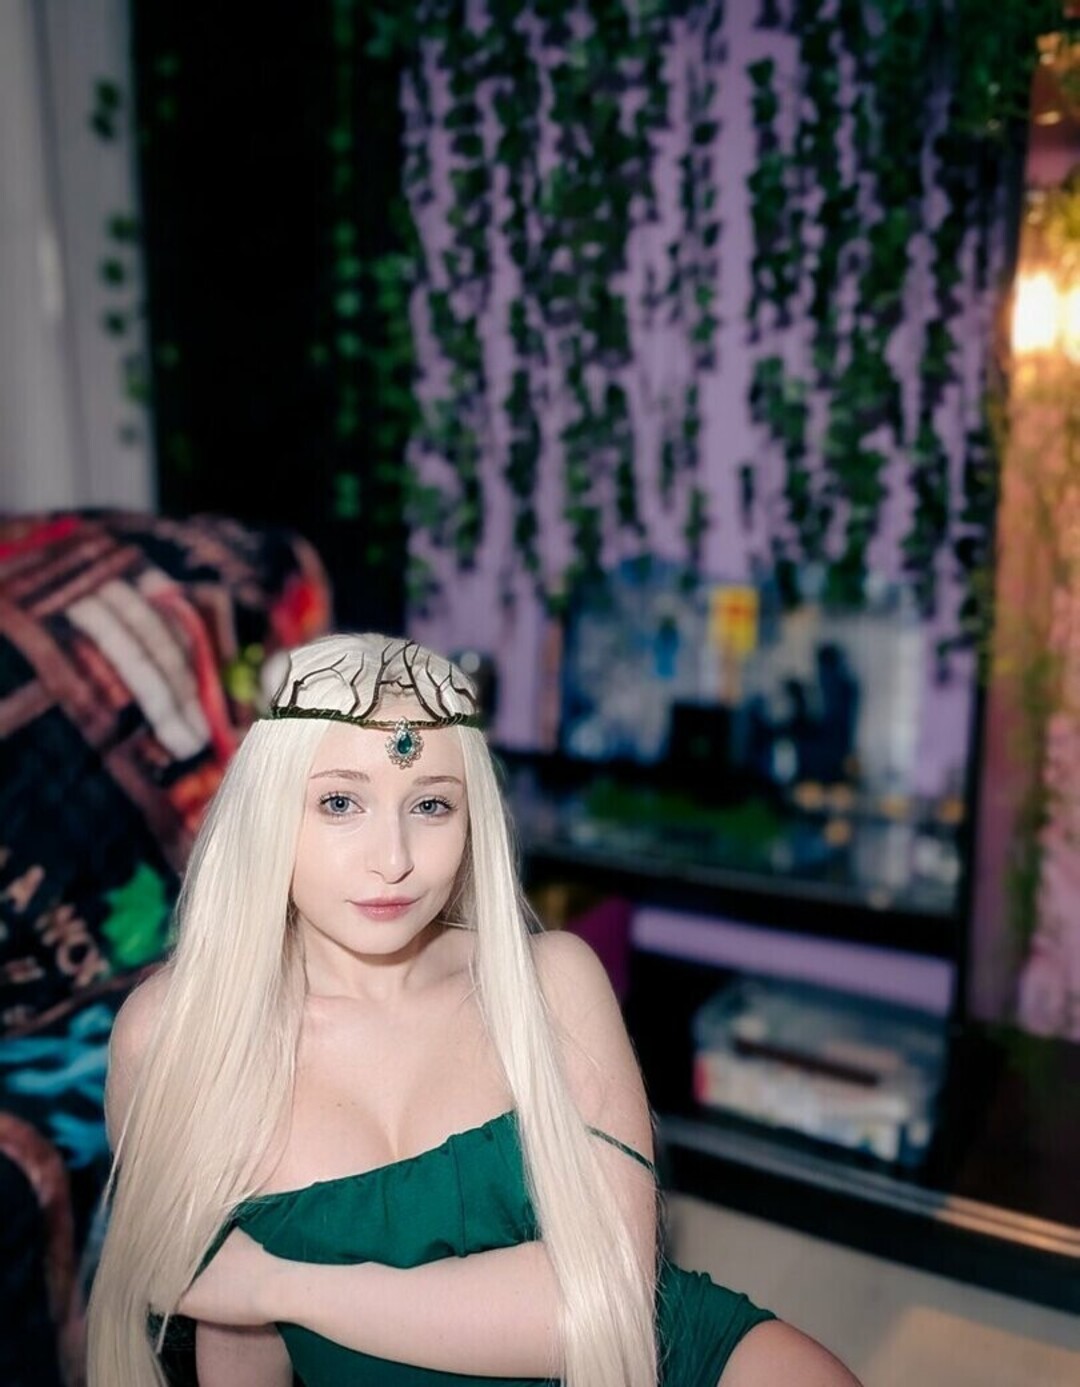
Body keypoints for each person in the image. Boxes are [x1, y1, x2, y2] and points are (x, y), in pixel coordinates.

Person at [87, 633, 862, 1387]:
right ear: (269, 808)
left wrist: (279, 1285)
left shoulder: (549, 983)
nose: (393, 858)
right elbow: (232, 1326)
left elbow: (606, 1302)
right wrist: (254, 1297)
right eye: (339, 801)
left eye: (431, 803)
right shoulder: (179, 1035)